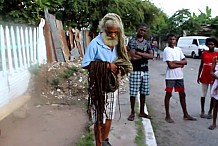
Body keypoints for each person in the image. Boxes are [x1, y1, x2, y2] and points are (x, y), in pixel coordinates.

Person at [82, 13, 132, 146]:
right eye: (110, 32)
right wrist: (107, 66)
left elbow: (122, 59)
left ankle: (105, 140)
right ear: (104, 30)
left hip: (112, 86)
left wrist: (120, 68)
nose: (113, 35)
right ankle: (98, 144)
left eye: (116, 32)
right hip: (98, 87)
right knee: (99, 118)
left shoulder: (118, 43)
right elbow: (85, 64)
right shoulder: (95, 44)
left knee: (109, 115)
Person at [163, 34, 196, 123]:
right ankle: (167, 115)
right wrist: (180, 64)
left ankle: (185, 114)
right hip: (170, 77)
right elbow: (170, 65)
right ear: (168, 40)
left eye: (174, 39)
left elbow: (185, 61)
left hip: (179, 76)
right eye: (170, 39)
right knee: (168, 94)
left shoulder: (178, 49)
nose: (172, 41)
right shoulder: (167, 50)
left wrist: (177, 62)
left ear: (176, 40)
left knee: (182, 94)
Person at [127, 23, 153, 121]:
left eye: (144, 30)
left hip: (145, 70)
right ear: (138, 30)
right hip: (135, 70)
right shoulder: (132, 41)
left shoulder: (147, 42)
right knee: (133, 93)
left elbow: (151, 56)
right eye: (141, 30)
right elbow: (133, 57)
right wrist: (144, 55)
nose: (142, 32)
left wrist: (139, 53)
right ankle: (132, 112)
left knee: (143, 92)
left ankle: (142, 111)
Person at [197, 37, 218, 119]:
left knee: (212, 94)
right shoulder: (204, 53)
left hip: (213, 76)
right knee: (203, 94)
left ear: (215, 45)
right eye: (209, 44)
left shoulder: (217, 54)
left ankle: (210, 111)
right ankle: (202, 110)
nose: (210, 46)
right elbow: (201, 65)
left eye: (212, 44)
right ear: (207, 45)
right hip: (204, 75)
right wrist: (198, 75)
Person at [208, 56, 218, 130]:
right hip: (217, 83)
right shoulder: (215, 59)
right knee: (216, 104)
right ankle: (214, 123)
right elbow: (211, 72)